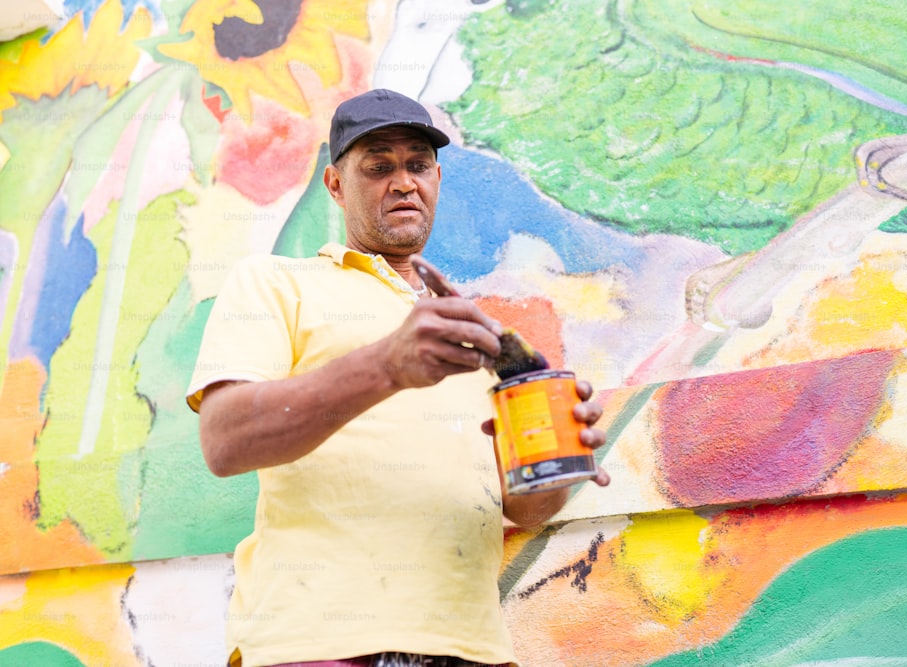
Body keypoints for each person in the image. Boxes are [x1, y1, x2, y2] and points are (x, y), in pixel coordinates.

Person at [186, 88, 610, 667]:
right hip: (317, 642)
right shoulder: (275, 283)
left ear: (436, 178)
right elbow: (224, 440)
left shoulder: (485, 336)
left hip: (471, 648)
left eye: (417, 165)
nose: (403, 182)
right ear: (336, 185)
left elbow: (526, 510)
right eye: (378, 166)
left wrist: (561, 460)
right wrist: (387, 366)